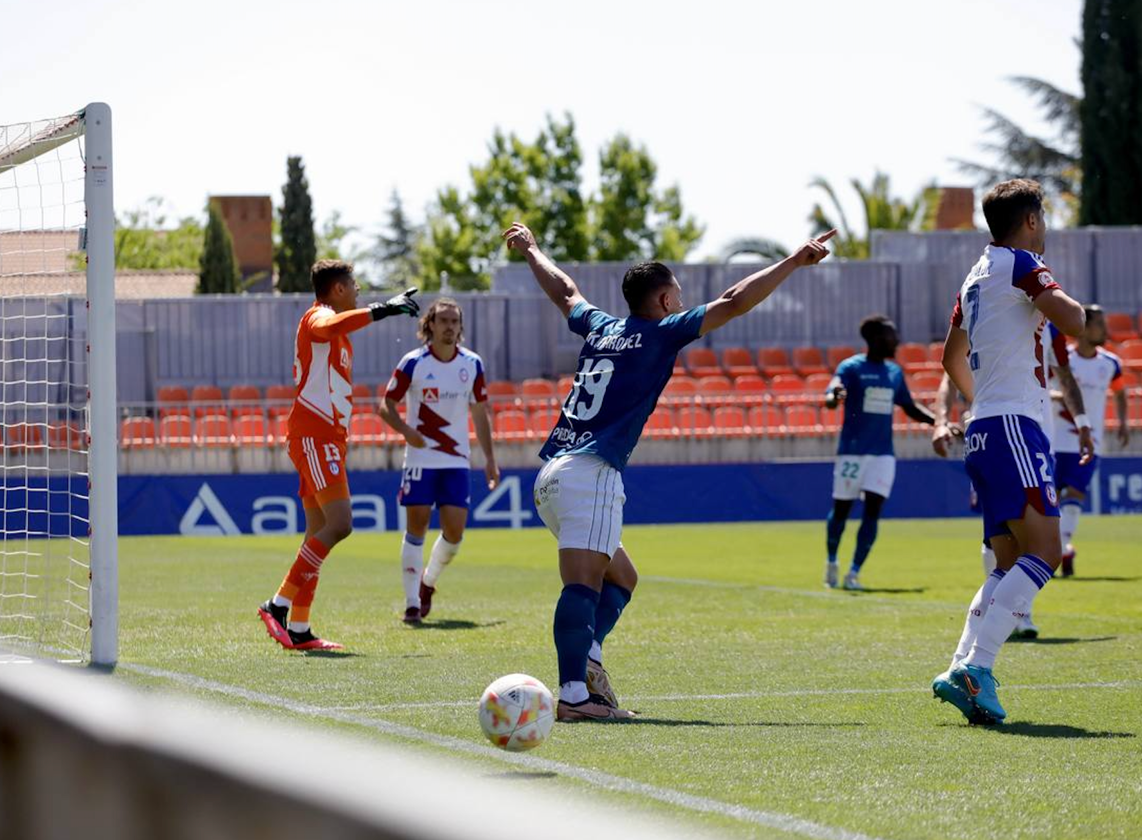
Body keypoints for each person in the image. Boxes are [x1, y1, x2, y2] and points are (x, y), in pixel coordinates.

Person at [503, 220, 835, 722]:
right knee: (582, 585)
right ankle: (573, 695)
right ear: (662, 301)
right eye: (676, 292)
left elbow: (564, 289)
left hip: (554, 474)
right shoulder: (661, 332)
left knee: (622, 577)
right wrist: (793, 261)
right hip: (590, 472)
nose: (681, 300)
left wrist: (531, 249)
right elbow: (734, 300)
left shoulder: (600, 326)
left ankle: (588, 658)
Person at [930, 179, 1090, 725]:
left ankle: (960, 666)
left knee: (1006, 560)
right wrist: (1066, 301)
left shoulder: (974, 277)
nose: (1044, 230)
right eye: (1042, 219)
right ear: (1029, 222)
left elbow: (951, 359)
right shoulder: (1022, 264)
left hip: (984, 428)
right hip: (1015, 427)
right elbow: (1074, 320)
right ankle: (978, 666)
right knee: (1045, 551)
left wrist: (983, 405)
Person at [257, 260, 420, 650]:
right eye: (354, 285)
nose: (359, 290)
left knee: (318, 531)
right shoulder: (319, 316)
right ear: (338, 289)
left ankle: (298, 626)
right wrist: (384, 310)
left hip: (323, 435)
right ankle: (277, 604)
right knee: (341, 523)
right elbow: (326, 326)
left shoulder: (337, 331)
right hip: (314, 434)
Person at [933, 320, 1091, 638]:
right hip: (1004, 433)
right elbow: (950, 370)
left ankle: (999, 627)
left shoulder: (1047, 325)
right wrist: (942, 420)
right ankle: (998, 629)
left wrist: (1082, 421)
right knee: (1020, 542)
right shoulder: (992, 313)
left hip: (1035, 437)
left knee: (1023, 541)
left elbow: (1064, 373)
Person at [378, 297, 500, 624]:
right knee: (416, 527)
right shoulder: (413, 363)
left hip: (456, 460)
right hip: (420, 458)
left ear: (460, 327)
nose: (449, 327)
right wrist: (406, 431)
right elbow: (385, 405)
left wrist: (489, 458)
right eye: (443, 320)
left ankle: (427, 583)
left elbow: (479, 412)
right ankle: (411, 604)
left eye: (454, 321)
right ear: (430, 324)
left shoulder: (472, 364)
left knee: (455, 533)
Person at [823, 315, 942, 590]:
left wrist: (939, 422)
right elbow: (832, 393)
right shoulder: (851, 367)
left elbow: (909, 408)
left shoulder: (894, 373)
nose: (897, 340)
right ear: (875, 339)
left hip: (883, 454)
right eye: (891, 335)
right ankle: (831, 561)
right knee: (841, 510)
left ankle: (854, 572)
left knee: (873, 511)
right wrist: (834, 398)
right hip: (852, 453)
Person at [1046, 305, 1130, 575]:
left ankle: (1063, 546)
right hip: (1056, 441)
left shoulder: (1110, 364)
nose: (1104, 330)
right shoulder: (1062, 359)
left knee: (1076, 493)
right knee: (1052, 498)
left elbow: (1119, 393)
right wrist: (1059, 397)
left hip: (1090, 441)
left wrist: (1123, 422)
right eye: (1098, 324)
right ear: (1083, 328)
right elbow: (1041, 386)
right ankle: (1054, 548)